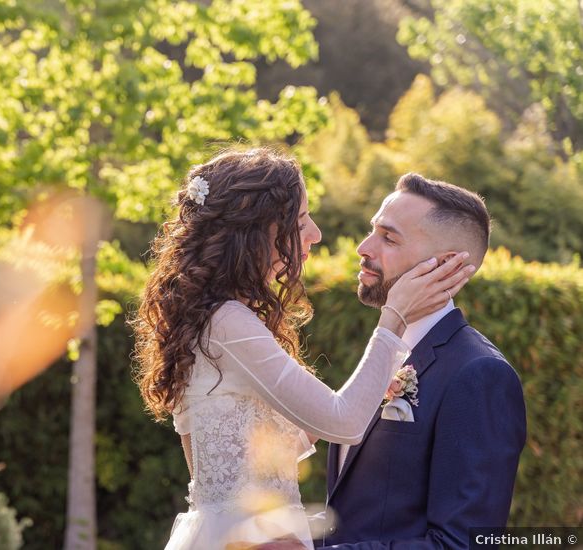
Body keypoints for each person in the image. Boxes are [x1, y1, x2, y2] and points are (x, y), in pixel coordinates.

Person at [130, 148, 474, 549]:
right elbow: (342, 422)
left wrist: (379, 385)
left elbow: (247, 457)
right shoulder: (227, 322)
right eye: (300, 221)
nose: (315, 234)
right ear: (257, 234)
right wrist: (394, 316)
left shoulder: (207, 318)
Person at [313, 173, 526, 549]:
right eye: (371, 231)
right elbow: (363, 514)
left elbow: (464, 543)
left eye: (389, 237)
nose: (364, 247)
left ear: (444, 264)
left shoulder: (479, 374)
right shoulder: (386, 348)